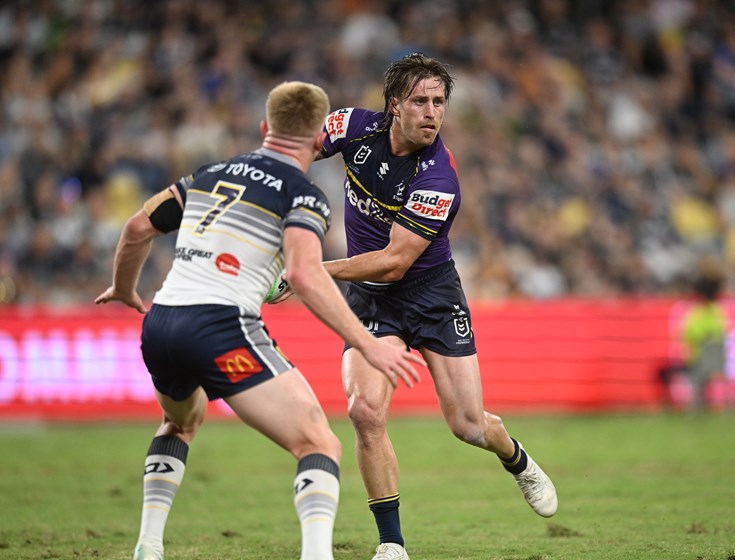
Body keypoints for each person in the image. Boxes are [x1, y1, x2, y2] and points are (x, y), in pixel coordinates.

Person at [94, 81, 425, 560]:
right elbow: (305, 276)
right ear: (318, 141)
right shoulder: (304, 195)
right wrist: (367, 343)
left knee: (179, 422)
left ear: (265, 128)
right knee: (319, 443)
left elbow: (137, 227)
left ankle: (149, 542)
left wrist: (125, 288)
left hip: (162, 324)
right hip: (221, 328)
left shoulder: (209, 174)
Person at [314, 53, 557, 560]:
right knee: (364, 411)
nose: (432, 113)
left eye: (440, 102)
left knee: (468, 426)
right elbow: (295, 150)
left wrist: (313, 269)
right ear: (394, 105)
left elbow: (393, 263)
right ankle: (392, 544)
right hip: (371, 300)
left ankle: (517, 460)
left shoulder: (438, 178)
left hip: (429, 294)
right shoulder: (351, 128)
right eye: (421, 101)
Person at [681, 262, 730, 412]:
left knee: (694, 370)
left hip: (698, 361)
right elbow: (723, 334)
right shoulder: (718, 312)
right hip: (717, 362)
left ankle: (697, 404)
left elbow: (688, 335)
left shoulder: (695, 313)